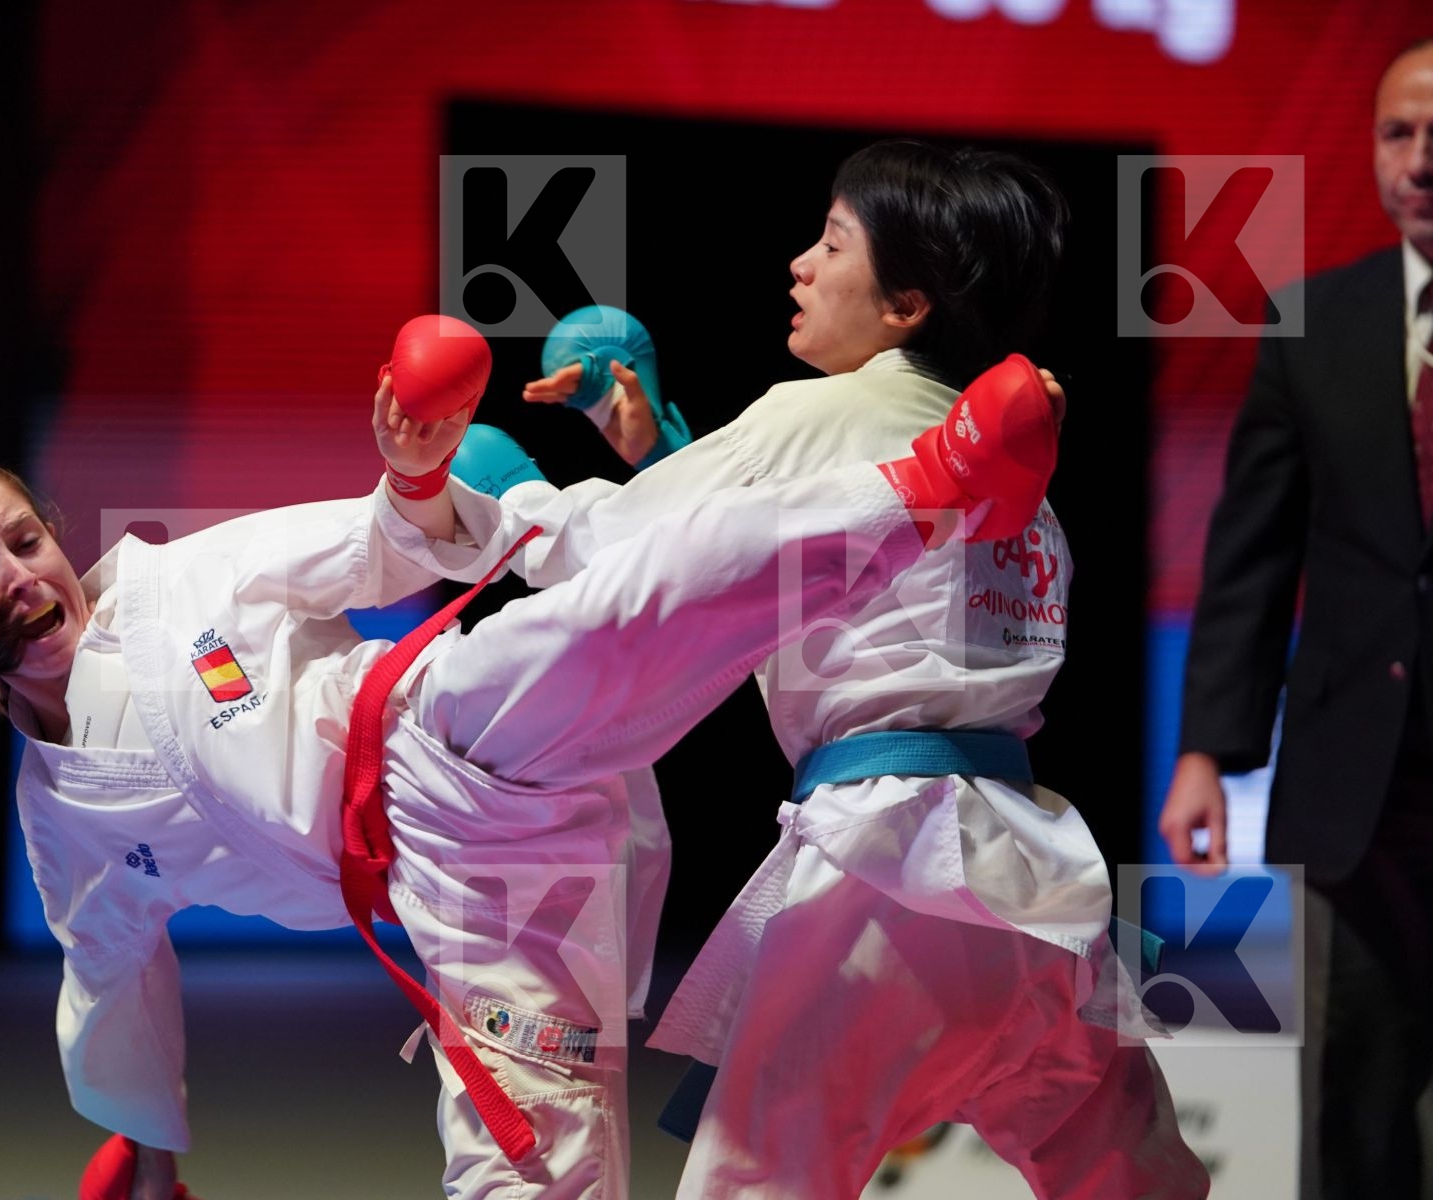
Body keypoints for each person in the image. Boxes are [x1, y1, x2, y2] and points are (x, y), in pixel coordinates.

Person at [0, 355, 1059, 1200]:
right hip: (467, 909)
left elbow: (373, 539)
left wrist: (414, 478)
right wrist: (150, 1152)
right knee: (523, 1176)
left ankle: (926, 488)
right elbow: (113, 973)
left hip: (442, 744)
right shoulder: (58, 820)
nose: (21, 574)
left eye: (25, 539)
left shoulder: (179, 581)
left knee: (629, 612)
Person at [466, 139, 1209, 1197]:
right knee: (1134, 1182)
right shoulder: (1025, 485)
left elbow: (622, 560)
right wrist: (664, 451)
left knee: (755, 1184)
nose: (798, 265)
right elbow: (815, 548)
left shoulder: (814, 414)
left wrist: (499, 491)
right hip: (1035, 887)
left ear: (907, 302)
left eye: (830, 242)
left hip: (886, 873)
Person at [1158, 39, 1433, 1200]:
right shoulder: (1314, 322)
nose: (1421, 160)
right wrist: (1208, 751)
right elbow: (1251, 561)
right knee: (1352, 1118)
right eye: (1398, 133)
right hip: (1353, 792)